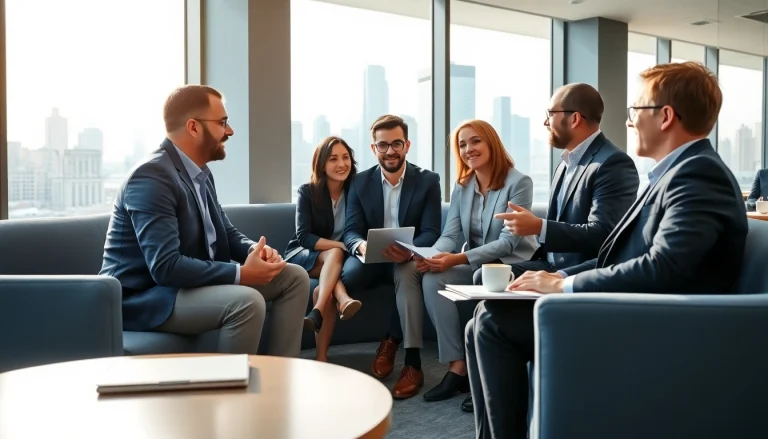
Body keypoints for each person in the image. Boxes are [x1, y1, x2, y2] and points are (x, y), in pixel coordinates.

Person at [466, 62, 749, 439]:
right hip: (635, 308)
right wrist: (560, 276)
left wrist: (563, 288)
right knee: (480, 321)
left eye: (636, 110)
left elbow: (664, 267)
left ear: (665, 116)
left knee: (492, 321)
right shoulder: (674, 171)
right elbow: (625, 254)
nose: (629, 121)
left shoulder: (698, 174)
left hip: (659, 326)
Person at [100, 85, 309, 356]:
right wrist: (242, 274)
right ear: (194, 127)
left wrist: (253, 251)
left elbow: (225, 230)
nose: (230, 131)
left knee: (293, 277)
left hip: (183, 289)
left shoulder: (200, 173)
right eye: (222, 123)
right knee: (246, 302)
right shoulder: (151, 176)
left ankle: (280, 378)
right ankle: (234, 396)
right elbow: (165, 267)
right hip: (145, 299)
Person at [418, 120, 538, 404]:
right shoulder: (463, 187)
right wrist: (430, 256)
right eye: (462, 144)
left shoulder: (518, 182)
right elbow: (451, 234)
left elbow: (508, 243)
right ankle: (457, 367)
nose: (468, 149)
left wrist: (456, 258)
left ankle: (484, 376)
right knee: (432, 278)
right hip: (477, 265)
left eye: (475, 141)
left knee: (474, 276)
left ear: (490, 143)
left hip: (511, 265)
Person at [342, 114, 442, 399]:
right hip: (371, 258)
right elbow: (351, 230)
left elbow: (431, 231)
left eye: (396, 143)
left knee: (406, 274)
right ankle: (392, 336)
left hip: (407, 258)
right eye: (383, 145)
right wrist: (361, 246)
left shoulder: (427, 181)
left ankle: (411, 363)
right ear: (374, 149)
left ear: (407, 145)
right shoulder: (359, 183)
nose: (390, 151)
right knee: (351, 275)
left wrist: (408, 251)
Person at [284, 136, 363, 361]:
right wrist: (340, 245)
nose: (341, 164)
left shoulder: (355, 191)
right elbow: (304, 237)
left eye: (346, 157)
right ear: (321, 164)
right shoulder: (307, 192)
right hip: (304, 254)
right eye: (333, 159)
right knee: (335, 255)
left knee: (323, 291)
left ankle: (321, 356)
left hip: (334, 262)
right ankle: (342, 299)